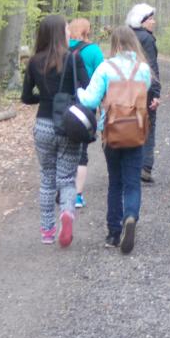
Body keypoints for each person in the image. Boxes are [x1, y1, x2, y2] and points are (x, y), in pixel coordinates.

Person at [76, 26, 152, 254]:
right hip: (137, 131)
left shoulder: (105, 68)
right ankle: (131, 216)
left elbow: (89, 100)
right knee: (132, 182)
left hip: (111, 131)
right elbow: (143, 95)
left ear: (116, 45)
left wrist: (78, 91)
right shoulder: (144, 69)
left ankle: (113, 232)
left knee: (115, 182)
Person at [21, 14, 90, 246]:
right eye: (67, 28)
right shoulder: (72, 59)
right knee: (67, 179)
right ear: (61, 33)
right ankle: (67, 213)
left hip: (43, 125)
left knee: (47, 179)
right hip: (67, 125)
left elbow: (26, 97)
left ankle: (47, 232)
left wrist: (46, 96)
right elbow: (86, 90)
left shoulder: (33, 62)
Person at [68, 18, 104, 209]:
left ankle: (62, 188)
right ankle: (77, 195)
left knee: (64, 147)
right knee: (81, 150)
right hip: (85, 105)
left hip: (63, 105)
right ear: (87, 31)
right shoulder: (93, 50)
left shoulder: (60, 48)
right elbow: (102, 76)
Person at [126, 3, 161, 183]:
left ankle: (128, 165)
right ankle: (145, 167)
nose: (154, 22)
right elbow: (151, 67)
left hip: (125, 89)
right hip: (144, 89)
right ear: (142, 20)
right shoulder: (147, 39)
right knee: (148, 125)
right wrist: (156, 93)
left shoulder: (126, 37)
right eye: (150, 19)